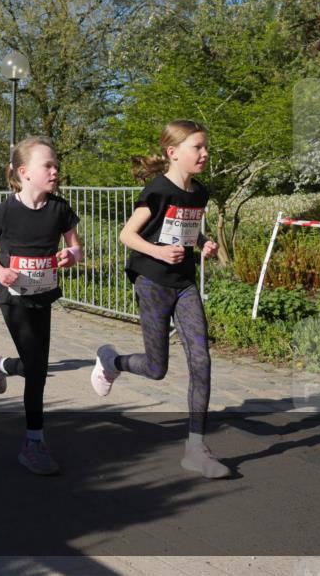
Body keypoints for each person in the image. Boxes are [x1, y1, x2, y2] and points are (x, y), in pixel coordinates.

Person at [90, 120, 228, 479]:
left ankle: (196, 449)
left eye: (205, 146)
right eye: (197, 147)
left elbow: (188, 227)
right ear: (173, 153)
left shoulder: (199, 192)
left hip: (184, 285)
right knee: (156, 368)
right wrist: (159, 253)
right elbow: (127, 235)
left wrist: (203, 243)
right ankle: (112, 361)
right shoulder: (158, 190)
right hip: (152, 281)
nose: (204, 153)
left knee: (201, 360)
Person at [0, 137, 82, 475]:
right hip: (14, 296)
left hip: (44, 295)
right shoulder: (7, 209)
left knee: (37, 368)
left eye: (56, 165)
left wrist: (70, 256)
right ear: (24, 172)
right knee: (36, 369)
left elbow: (77, 249)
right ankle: (33, 444)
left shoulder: (60, 209)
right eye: (47, 165)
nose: (55, 171)